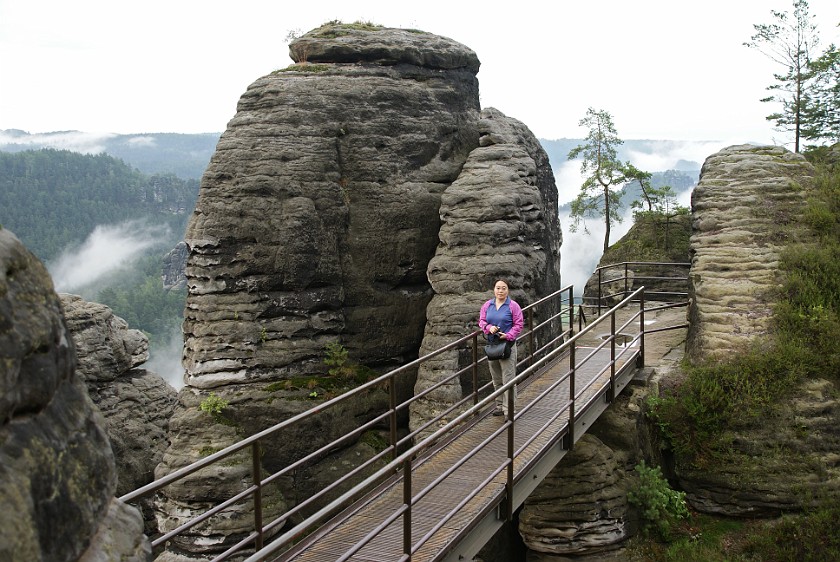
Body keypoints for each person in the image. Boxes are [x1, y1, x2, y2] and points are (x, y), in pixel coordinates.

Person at [479, 279, 524, 416]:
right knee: (497, 378)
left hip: (507, 346)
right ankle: (499, 406)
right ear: (494, 290)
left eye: (503, 288)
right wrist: (488, 327)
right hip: (492, 346)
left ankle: (509, 409)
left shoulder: (513, 306)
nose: (500, 291)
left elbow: (519, 324)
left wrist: (509, 335)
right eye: (498, 288)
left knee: (508, 378)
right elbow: (481, 321)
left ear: (507, 290)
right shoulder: (488, 305)